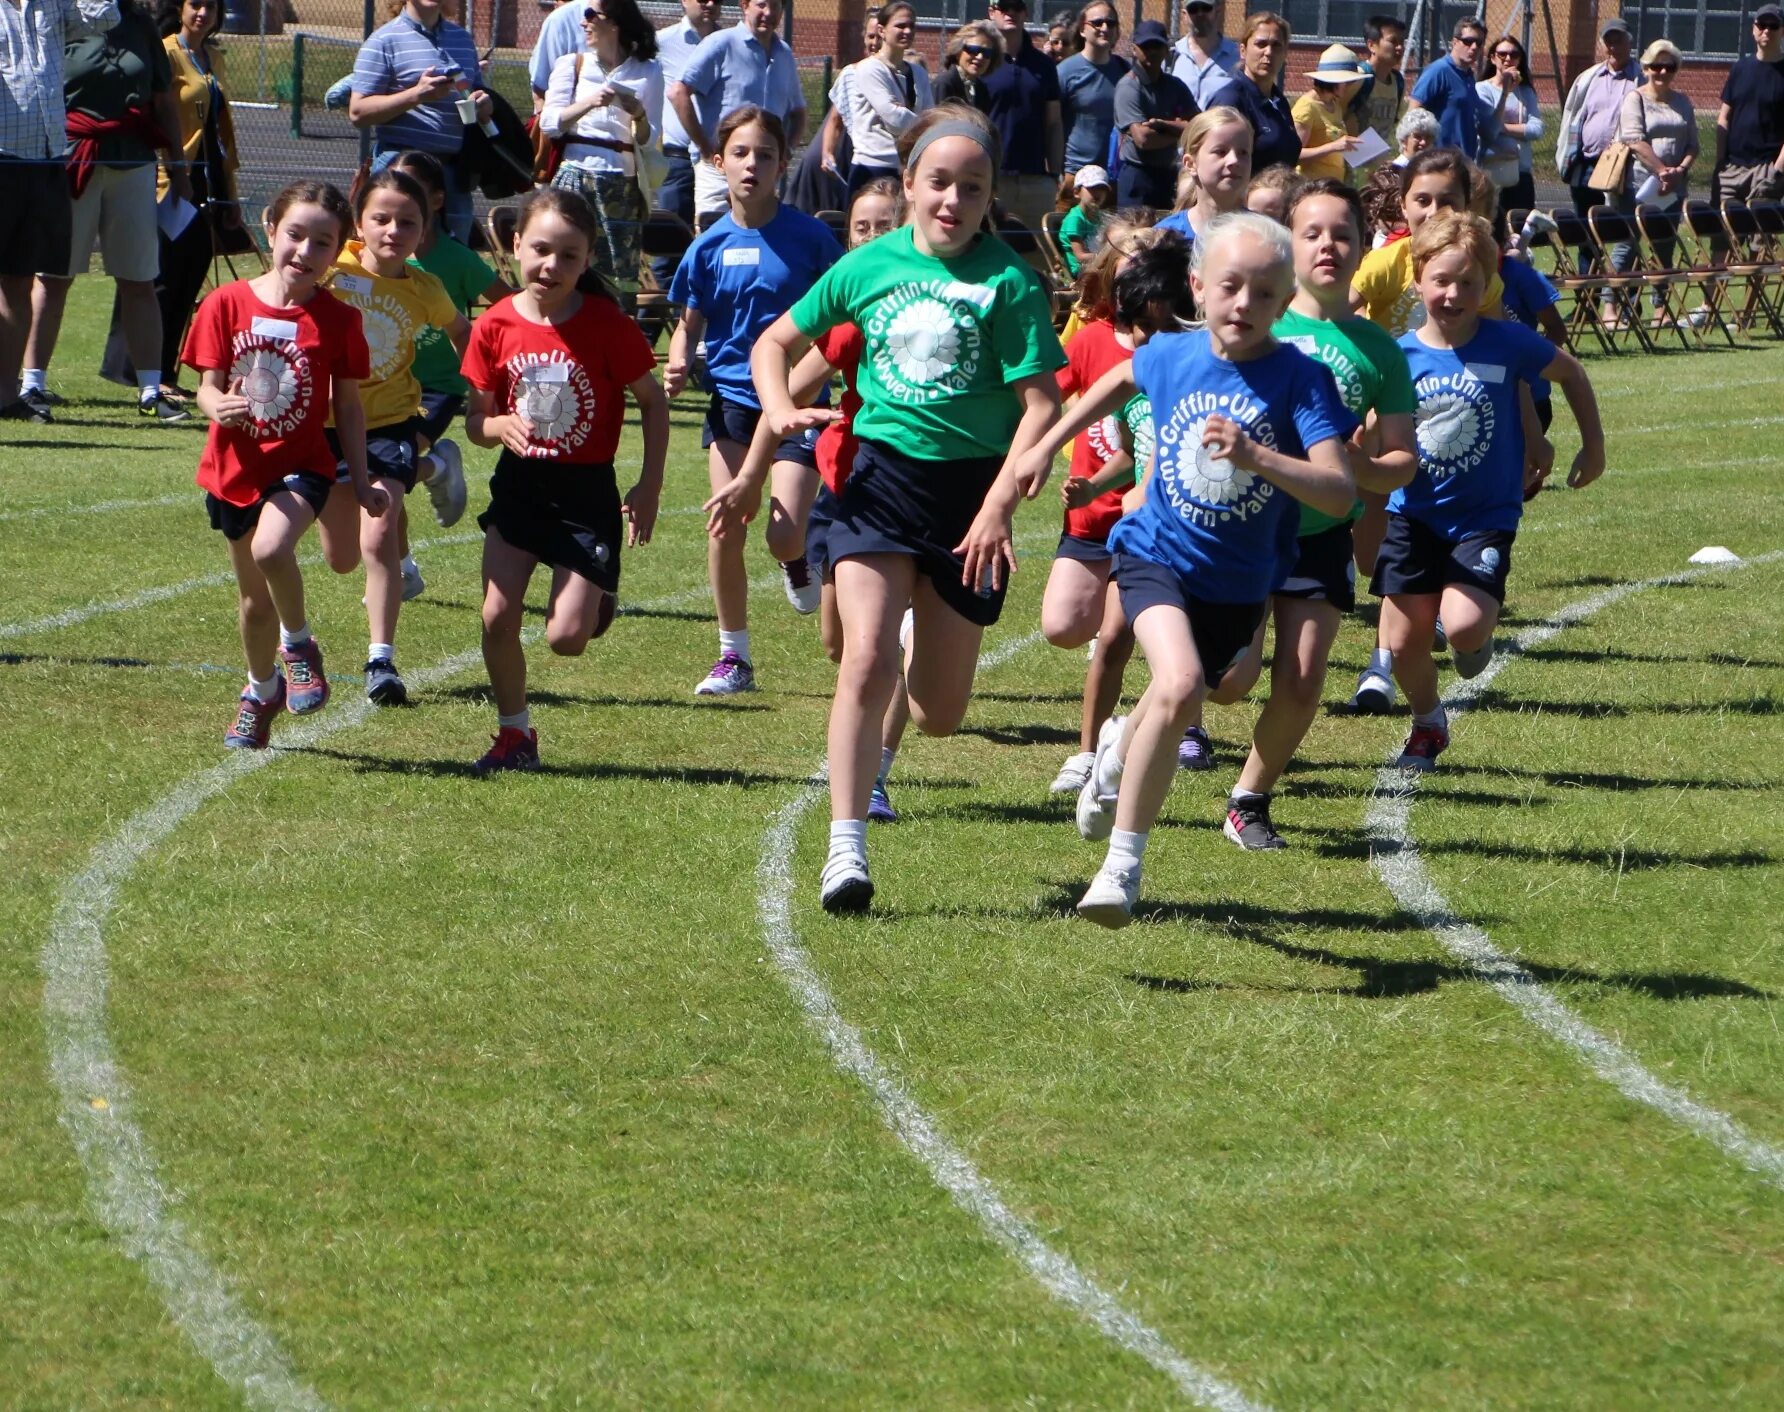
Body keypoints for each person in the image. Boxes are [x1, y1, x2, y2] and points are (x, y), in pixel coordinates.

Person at [752, 103, 1066, 912]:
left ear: (991, 194)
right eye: (938, 183)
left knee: (939, 713)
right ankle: (844, 850)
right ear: (910, 185)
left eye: (972, 186)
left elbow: (1041, 406)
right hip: (878, 484)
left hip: (970, 501)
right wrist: (778, 407)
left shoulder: (1010, 281)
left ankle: (922, 621)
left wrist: (1001, 503)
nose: (952, 200)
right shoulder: (868, 267)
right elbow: (774, 344)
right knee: (863, 659)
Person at [1011, 212, 1357, 925]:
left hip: (1238, 582)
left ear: (1286, 298)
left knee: (1184, 700)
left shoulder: (1303, 381)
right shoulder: (1173, 354)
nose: (1243, 306)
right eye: (1230, 287)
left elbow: (1339, 489)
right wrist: (1047, 444)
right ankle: (1121, 869)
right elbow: (1115, 382)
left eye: (1264, 294)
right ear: (1199, 287)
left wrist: (1258, 456)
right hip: (1154, 553)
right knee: (1179, 682)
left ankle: (1116, 747)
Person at [1211, 179, 1416, 848]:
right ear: (1287, 246)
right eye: (1312, 232)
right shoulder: (1258, 326)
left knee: (1301, 682)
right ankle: (1139, 733)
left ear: (1363, 248)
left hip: (1321, 534)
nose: (1328, 245)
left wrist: (1357, 468)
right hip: (1243, 527)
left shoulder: (1381, 350)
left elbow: (1403, 464)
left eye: (1342, 234)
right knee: (1229, 682)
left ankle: (1249, 800)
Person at [704, 178, 912, 821]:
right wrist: (746, 477)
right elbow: (786, 396)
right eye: (862, 229)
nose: (874, 239)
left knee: (880, 649)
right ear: (845, 239)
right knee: (838, 645)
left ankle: (873, 775)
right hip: (845, 492)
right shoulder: (847, 324)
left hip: (910, 495)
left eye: (886, 227)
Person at [1378, 211, 1603, 771]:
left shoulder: (1508, 343)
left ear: (1487, 286)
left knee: (1462, 625)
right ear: (1417, 277)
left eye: (1468, 284)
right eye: (1441, 281)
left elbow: (1570, 375)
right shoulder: (1397, 355)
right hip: (1412, 514)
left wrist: (1591, 446)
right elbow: (1365, 425)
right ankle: (1428, 722)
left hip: (1486, 514)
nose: (1453, 294)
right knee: (1404, 649)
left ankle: (1474, 640)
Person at [463, 186, 669, 773]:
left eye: (569, 256)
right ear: (515, 245)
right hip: (520, 488)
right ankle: (514, 735)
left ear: (587, 260)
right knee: (496, 616)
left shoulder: (607, 324)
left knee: (567, 638)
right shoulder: (495, 325)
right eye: (541, 250)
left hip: (585, 495)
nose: (551, 265)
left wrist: (647, 485)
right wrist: (498, 423)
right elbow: (476, 422)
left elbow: (652, 404)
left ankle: (594, 600)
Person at [181, 181, 383, 747]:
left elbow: (347, 406)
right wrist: (215, 404)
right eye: (295, 235)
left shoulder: (341, 321)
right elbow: (206, 388)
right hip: (233, 469)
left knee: (273, 548)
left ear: (339, 249)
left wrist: (362, 483)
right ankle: (260, 687)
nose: (305, 252)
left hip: (301, 467)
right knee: (252, 602)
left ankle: (298, 646)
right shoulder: (226, 303)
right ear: (272, 228)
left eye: (323, 243)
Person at [666, 106, 843, 695]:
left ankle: (797, 561)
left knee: (783, 532)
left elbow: (839, 322)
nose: (752, 164)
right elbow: (689, 322)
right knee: (725, 527)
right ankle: (733, 656)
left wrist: (810, 378)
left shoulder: (812, 240)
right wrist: (678, 355)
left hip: (799, 400)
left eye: (764, 154)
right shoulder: (708, 245)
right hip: (734, 403)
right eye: (740, 153)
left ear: (781, 165)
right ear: (719, 163)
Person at [1043, 225, 1192, 797]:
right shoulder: (1106, 352)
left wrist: (1145, 489)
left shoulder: (1193, 368)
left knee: (1150, 650)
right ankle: (1090, 754)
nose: (1147, 339)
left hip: (1176, 531)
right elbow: (1132, 448)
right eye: (1140, 326)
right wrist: (1092, 486)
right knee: (1092, 634)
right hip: (1120, 527)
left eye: (1160, 326)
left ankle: (1136, 742)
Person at [318, 168, 470, 706]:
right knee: (340, 557)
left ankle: (380, 661)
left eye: (407, 221)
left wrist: (483, 387)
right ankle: (436, 466)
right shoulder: (331, 269)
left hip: (388, 422)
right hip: (327, 426)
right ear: (358, 222)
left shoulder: (425, 288)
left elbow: (461, 331)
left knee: (378, 537)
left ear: (423, 231)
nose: (392, 230)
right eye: (380, 218)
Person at [20, 0, 190, 423]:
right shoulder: (58, 20)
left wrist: (179, 168)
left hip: (133, 162)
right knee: (54, 276)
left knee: (139, 277)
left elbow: (163, 99)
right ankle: (31, 384)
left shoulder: (141, 25)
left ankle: (152, 391)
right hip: (71, 159)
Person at [0, 0, 122, 423]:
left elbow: (107, 17)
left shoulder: (52, 3)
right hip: (0, 157)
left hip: (45, 157)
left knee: (19, 279)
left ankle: (6, 395)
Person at [389, 150, 504, 592]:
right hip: (381, 384)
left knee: (390, 467)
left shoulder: (456, 260)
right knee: (376, 470)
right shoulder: (369, 259)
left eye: (412, 187)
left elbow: (509, 304)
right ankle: (403, 571)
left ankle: (437, 463)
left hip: (436, 387)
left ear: (436, 200)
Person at [540, 0, 662, 309]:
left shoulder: (648, 71)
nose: (584, 22)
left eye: (592, 15)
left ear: (615, 22)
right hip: (575, 174)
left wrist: (638, 115)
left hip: (622, 181)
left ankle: (612, 341)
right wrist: (590, 102)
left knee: (618, 274)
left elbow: (650, 140)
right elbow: (550, 123)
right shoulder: (573, 64)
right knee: (565, 261)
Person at [347, 0, 491, 244]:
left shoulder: (462, 40)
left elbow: (474, 92)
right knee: (393, 254)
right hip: (400, 169)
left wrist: (484, 105)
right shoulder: (384, 40)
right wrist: (416, 95)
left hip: (453, 173)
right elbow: (358, 113)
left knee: (453, 259)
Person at [668, 0, 806, 222]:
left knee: (762, 239)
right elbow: (678, 93)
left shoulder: (784, 54)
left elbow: (798, 112)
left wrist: (787, 149)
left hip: (765, 172)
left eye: (776, 6)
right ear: (745, 5)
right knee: (714, 237)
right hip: (720, 172)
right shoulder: (721, 44)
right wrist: (704, 146)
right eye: (761, 5)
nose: (768, 13)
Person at [1557, 15, 1640, 300]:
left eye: (1619, 39)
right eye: (1609, 39)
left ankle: (1625, 301)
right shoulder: (1589, 78)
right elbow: (1572, 116)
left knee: (1622, 235)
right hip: (1586, 166)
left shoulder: (1640, 78)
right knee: (1586, 235)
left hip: (1622, 168)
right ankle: (1587, 302)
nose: (1613, 45)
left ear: (1630, 42)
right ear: (1602, 44)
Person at [648, 0, 722, 293]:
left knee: (715, 243)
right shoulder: (662, 43)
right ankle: (650, 330)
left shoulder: (726, 42)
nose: (710, 4)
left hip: (717, 163)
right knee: (669, 249)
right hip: (677, 160)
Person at [1622, 37, 1696, 320]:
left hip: (1673, 187)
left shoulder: (1683, 101)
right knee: (1627, 244)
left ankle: (1661, 307)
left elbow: (1693, 145)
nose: (1663, 72)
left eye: (1669, 66)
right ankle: (1612, 306)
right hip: (1640, 184)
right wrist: (1662, 170)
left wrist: (1679, 171)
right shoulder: (1635, 98)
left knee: (1664, 246)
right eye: (1656, 66)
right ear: (1646, 67)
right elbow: (1634, 140)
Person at [983, 0, 1065, 234]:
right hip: (993, 177)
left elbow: (1054, 123)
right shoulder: (981, 60)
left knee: (1037, 257)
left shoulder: (1044, 65)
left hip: (1036, 179)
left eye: (1017, 6)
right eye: (1003, 6)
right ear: (991, 12)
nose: (1011, 12)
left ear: (1025, 12)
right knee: (990, 250)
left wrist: (1053, 174)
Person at [841, 2, 932, 195]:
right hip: (872, 166)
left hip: (907, 166)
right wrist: (920, 122)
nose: (907, 31)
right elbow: (895, 120)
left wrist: (907, 114)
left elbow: (931, 115)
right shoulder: (869, 69)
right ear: (882, 30)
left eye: (912, 26)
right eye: (900, 26)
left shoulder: (918, 72)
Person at [1113, 19, 1197, 210]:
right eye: (1145, 46)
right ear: (1134, 49)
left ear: (1167, 50)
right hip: (1138, 177)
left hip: (1168, 175)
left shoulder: (1175, 85)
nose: (1151, 51)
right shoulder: (1129, 86)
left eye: (1157, 45)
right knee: (1135, 237)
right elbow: (1143, 140)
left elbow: (1200, 125)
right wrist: (1181, 131)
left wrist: (1164, 126)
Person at [1208, 12, 1300, 176]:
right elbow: (1215, 164)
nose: (1268, 52)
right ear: (1243, 50)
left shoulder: (1279, 101)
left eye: (1276, 45)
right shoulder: (1230, 100)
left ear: (1285, 53)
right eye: (1261, 44)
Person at [1712, 4, 1784, 207]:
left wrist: (1777, 171)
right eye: (1762, 25)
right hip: (1731, 169)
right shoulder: (1740, 68)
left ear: (1782, 31)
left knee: (1761, 238)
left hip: (1766, 169)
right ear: (1754, 29)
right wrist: (1720, 162)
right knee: (1723, 236)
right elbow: (1724, 117)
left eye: (1773, 25)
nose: (1767, 30)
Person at [1157, 104, 1253, 246]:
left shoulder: (1266, 236)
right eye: (1220, 151)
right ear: (1190, 164)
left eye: (1243, 152)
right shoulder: (1166, 237)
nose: (1234, 160)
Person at [1477, 34, 1542, 236]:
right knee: (1491, 232)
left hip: (1520, 172)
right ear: (1492, 58)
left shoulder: (1525, 93)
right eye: (1502, 54)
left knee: (1519, 232)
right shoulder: (1483, 90)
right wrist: (1505, 92)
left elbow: (1537, 129)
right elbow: (1488, 131)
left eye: (1514, 54)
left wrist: (1502, 127)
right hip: (1492, 171)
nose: (1508, 59)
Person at [1057, 1, 1127, 179]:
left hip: (1113, 172)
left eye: (1111, 23)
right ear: (1082, 29)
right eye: (1097, 23)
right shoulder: (1065, 71)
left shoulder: (1125, 71)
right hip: (1075, 172)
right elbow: (1051, 124)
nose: (1104, 28)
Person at [1408, 16, 1486, 161]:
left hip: (1463, 162)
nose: (1474, 47)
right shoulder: (1438, 71)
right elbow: (1413, 113)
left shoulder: (1469, 76)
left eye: (1479, 43)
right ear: (1454, 42)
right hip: (1439, 160)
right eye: (1468, 41)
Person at [1292, 44, 1367, 183]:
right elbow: (1293, 155)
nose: (1351, 86)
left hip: (1332, 184)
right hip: (1310, 187)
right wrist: (1333, 147)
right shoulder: (1306, 108)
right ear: (1334, 81)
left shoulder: (1334, 104)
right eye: (1348, 81)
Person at [1349, 13, 1405, 181]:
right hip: (1350, 166)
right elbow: (1338, 120)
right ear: (1371, 45)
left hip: (1376, 169)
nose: (1399, 48)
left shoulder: (1398, 81)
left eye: (1402, 42)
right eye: (1393, 41)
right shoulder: (1359, 77)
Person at [1171, 0, 1240, 110]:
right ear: (1185, 15)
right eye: (1193, 9)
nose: (1200, 14)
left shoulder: (1237, 57)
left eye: (1205, 8)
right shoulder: (1172, 56)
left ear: (1217, 12)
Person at [933, 20, 1002, 115]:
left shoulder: (982, 88)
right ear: (958, 51)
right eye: (974, 50)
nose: (980, 57)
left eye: (987, 53)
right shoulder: (944, 84)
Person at [1058, 164, 1111, 273]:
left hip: (1098, 264)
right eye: (1092, 188)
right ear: (1077, 192)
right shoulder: (1075, 219)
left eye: (1102, 188)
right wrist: (1108, 256)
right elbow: (1080, 256)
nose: (1098, 192)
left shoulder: (1100, 216)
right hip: (1081, 270)